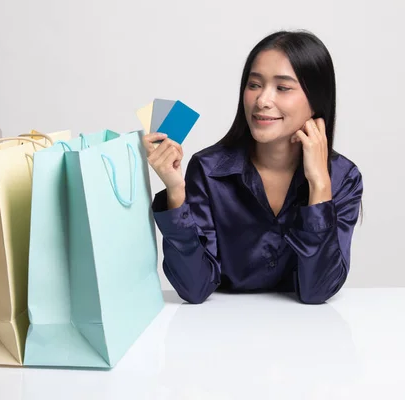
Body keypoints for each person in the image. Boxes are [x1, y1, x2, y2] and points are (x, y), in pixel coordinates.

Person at [142, 30, 364, 305]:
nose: (262, 101)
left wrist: (319, 184)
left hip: (309, 336)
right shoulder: (208, 170)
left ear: (316, 100)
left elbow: (317, 291)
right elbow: (194, 289)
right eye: (254, 84)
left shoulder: (343, 177)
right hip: (222, 335)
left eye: (283, 88)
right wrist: (175, 192)